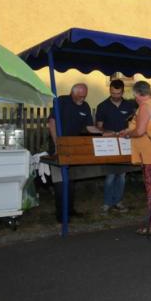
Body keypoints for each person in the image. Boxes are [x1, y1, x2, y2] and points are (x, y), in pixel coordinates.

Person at [118, 81, 151, 236]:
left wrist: (127, 133)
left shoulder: (146, 107)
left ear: (138, 94)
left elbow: (140, 131)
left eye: (135, 96)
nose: (135, 99)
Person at [48, 83, 104, 222]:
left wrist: (106, 133)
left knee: (71, 181)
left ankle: (70, 210)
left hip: (74, 148)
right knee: (61, 182)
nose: (82, 99)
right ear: (72, 93)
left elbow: (90, 128)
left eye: (84, 96)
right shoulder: (61, 101)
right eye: (79, 96)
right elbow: (52, 122)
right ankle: (61, 215)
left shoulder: (85, 106)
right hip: (58, 147)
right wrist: (57, 144)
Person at [95, 79, 137, 214]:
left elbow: (134, 124)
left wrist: (129, 133)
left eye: (118, 93)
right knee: (110, 175)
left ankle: (118, 201)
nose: (115, 96)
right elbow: (98, 127)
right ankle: (107, 203)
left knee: (122, 175)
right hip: (109, 144)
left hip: (125, 142)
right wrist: (106, 133)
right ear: (110, 91)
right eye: (113, 93)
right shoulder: (103, 106)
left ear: (123, 92)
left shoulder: (130, 105)